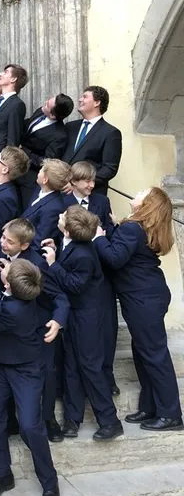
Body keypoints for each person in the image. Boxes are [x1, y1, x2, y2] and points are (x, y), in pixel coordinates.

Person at [94, 187, 183, 430]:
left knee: (155, 356)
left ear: (147, 204)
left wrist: (98, 237)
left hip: (143, 298)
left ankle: (171, 414)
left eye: (143, 192)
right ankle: (149, 407)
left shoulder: (132, 228)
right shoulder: (134, 228)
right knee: (144, 353)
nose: (137, 192)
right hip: (148, 295)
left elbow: (114, 258)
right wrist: (116, 227)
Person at [0, 259, 60, 496]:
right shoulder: (24, 291)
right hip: (1, 366)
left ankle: (50, 482)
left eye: (7, 271)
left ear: (8, 285)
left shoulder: (13, 310)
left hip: (26, 369)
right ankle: (1, 474)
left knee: (29, 425)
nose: (4, 269)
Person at [42, 206, 124, 440]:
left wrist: (53, 264)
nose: (59, 215)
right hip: (75, 313)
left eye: (63, 217)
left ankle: (110, 420)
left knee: (90, 366)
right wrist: (57, 250)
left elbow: (75, 284)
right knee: (71, 365)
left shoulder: (85, 254)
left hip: (88, 316)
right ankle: (72, 418)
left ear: (68, 230)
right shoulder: (71, 243)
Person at [0, 219, 70, 443]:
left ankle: (48, 419)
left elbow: (59, 297)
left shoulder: (37, 263)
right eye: (3, 237)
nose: (3, 243)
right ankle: (9, 420)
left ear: (24, 245)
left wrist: (58, 321)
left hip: (37, 326)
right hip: (7, 325)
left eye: (9, 241)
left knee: (47, 371)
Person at [64, 161, 119, 395]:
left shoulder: (101, 201)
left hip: (100, 275)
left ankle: (107, 375)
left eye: (93, 180)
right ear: (73, 182)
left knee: (107, 327)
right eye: (86, 181)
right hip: (73, 273)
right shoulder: (63, 203)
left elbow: (108, 234)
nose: (91, 185)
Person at [16, 94, 74, 210]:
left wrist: (24, 151)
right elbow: (28, 126)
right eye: (48, 100)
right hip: (14, 163)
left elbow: (46, 161)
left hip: (28, 176)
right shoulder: (41, 111)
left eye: (47, 105)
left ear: (53, 115)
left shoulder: (59, 136)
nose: (44, 103)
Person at [61, 86, 122, 195]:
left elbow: (109, 168)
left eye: (85, 97)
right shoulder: (70, 126)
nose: (80, 100)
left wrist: (81, 183)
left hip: (89, 194)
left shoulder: (111, 133)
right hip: (63, 190)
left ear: (97, 103)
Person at [21, 159, 69, 249]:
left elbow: (39, 242)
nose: (39, 172)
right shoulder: (38, 190)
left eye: (41, 170)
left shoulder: (53, 209)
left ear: (45, 180)